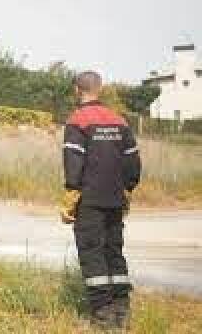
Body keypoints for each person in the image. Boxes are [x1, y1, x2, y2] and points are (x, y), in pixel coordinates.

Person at [61, 71, 141, 328]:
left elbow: (73, 165)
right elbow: (133, 162)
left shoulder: (77, 121)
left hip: (89, 201)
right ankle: (122, 310)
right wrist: (127, 191)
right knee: (114, 252)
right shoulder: (119, 121)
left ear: (77, 90)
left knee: (92, 254)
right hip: (116, 199)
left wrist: (70, 200)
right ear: (101, 89)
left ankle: (103, 315)